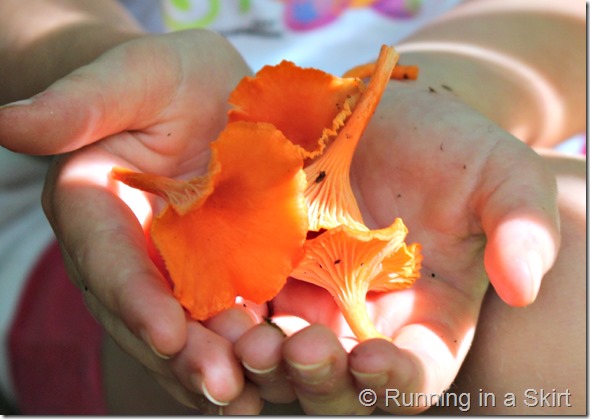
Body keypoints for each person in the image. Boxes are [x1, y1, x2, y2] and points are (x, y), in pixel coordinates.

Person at [0, 0, 585, 415]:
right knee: (210, 355)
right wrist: (97, 58)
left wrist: (447, 87)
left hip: (478, 127)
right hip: (125, 207)